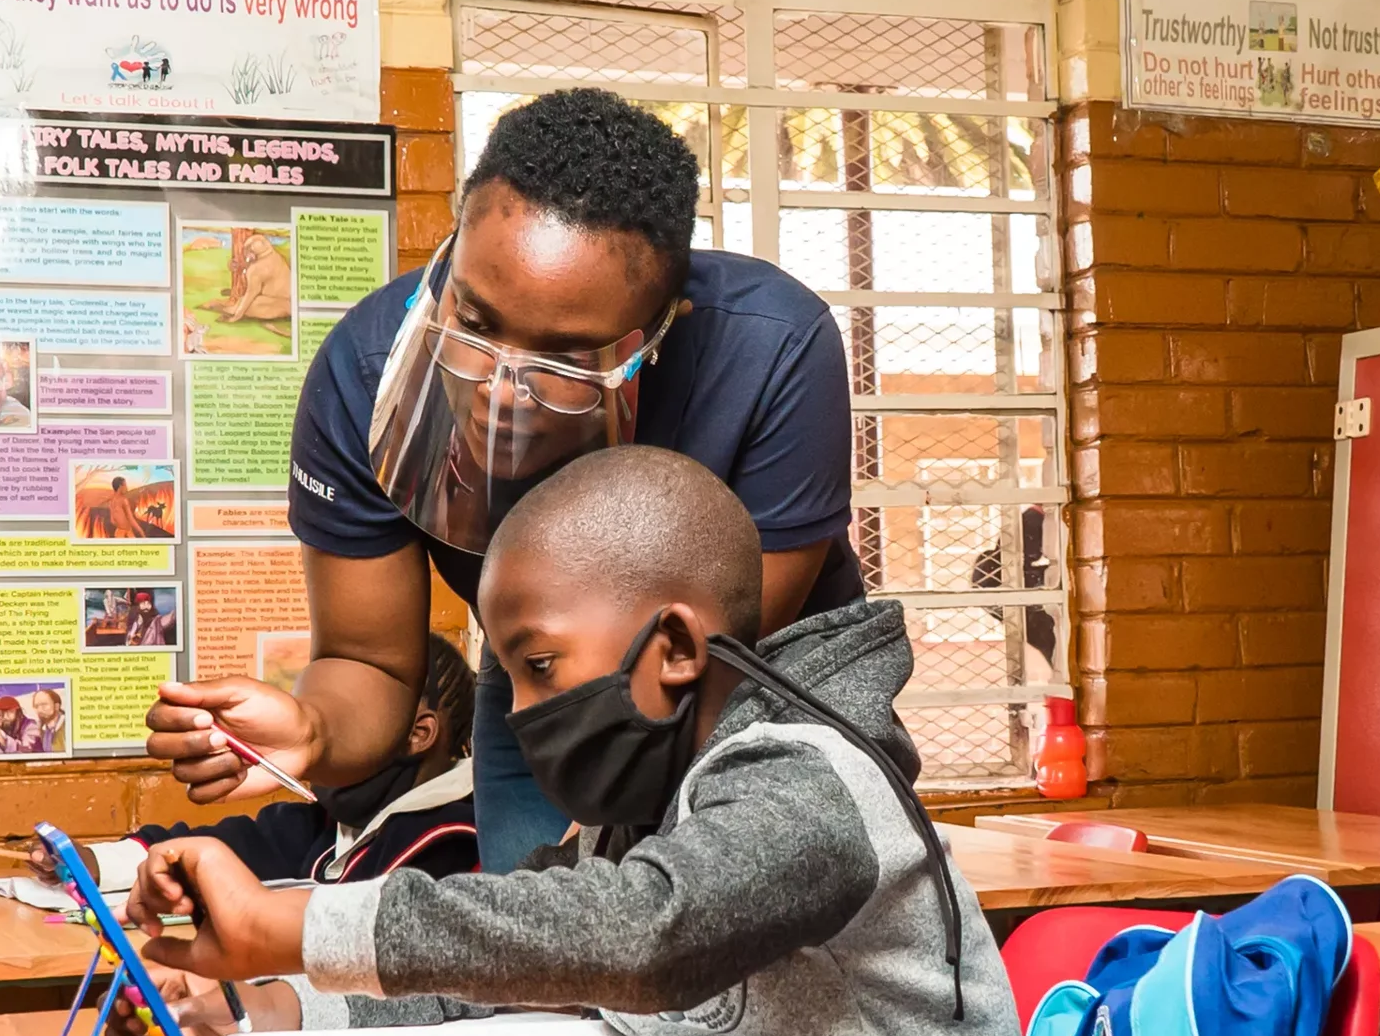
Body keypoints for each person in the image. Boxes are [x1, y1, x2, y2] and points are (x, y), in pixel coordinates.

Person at [113, 448, 1055, 1036]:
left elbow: (647, 934)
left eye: (540, 665)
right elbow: (515, 970)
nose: (520, 714)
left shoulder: (812, 787)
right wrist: (265, 1011)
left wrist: (288, 927)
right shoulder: (636, 804)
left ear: (676, 647)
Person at [144, 88, 863, 875]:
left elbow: (718, 669)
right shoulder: (363, 376)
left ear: (662, 328)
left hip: (751, 680)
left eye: (561, 355)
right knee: (538, 963)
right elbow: (372, 665)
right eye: (476, 322)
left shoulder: (771, 352)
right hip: (540, 677)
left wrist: (608, 886)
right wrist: (312, 730)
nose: (494, 386)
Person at [34, 632, 477, 896]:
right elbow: (211, 846)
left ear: (418, 735)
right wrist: (90, 862)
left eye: (347, 718)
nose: (318, 734)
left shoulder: (461, 841)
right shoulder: (328, 823)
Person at [30, 687, 66, 754]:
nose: (40, 710)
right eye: (36, 706)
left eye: (44, 704)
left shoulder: (68, 726)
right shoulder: (42, 730)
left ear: (56, 706)